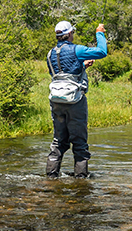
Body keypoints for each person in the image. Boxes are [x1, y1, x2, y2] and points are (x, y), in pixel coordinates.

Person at [45, 20, 107, 178]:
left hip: (56, 101)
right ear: (70, 34)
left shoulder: (50, 53)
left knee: (59, 141)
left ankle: (51, 178)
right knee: (79, 143)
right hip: (75, 101)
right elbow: (101, 52)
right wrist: (99, 32)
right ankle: (81, 182)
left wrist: (82, 66)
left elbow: (62, 74)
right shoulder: (77, 50)